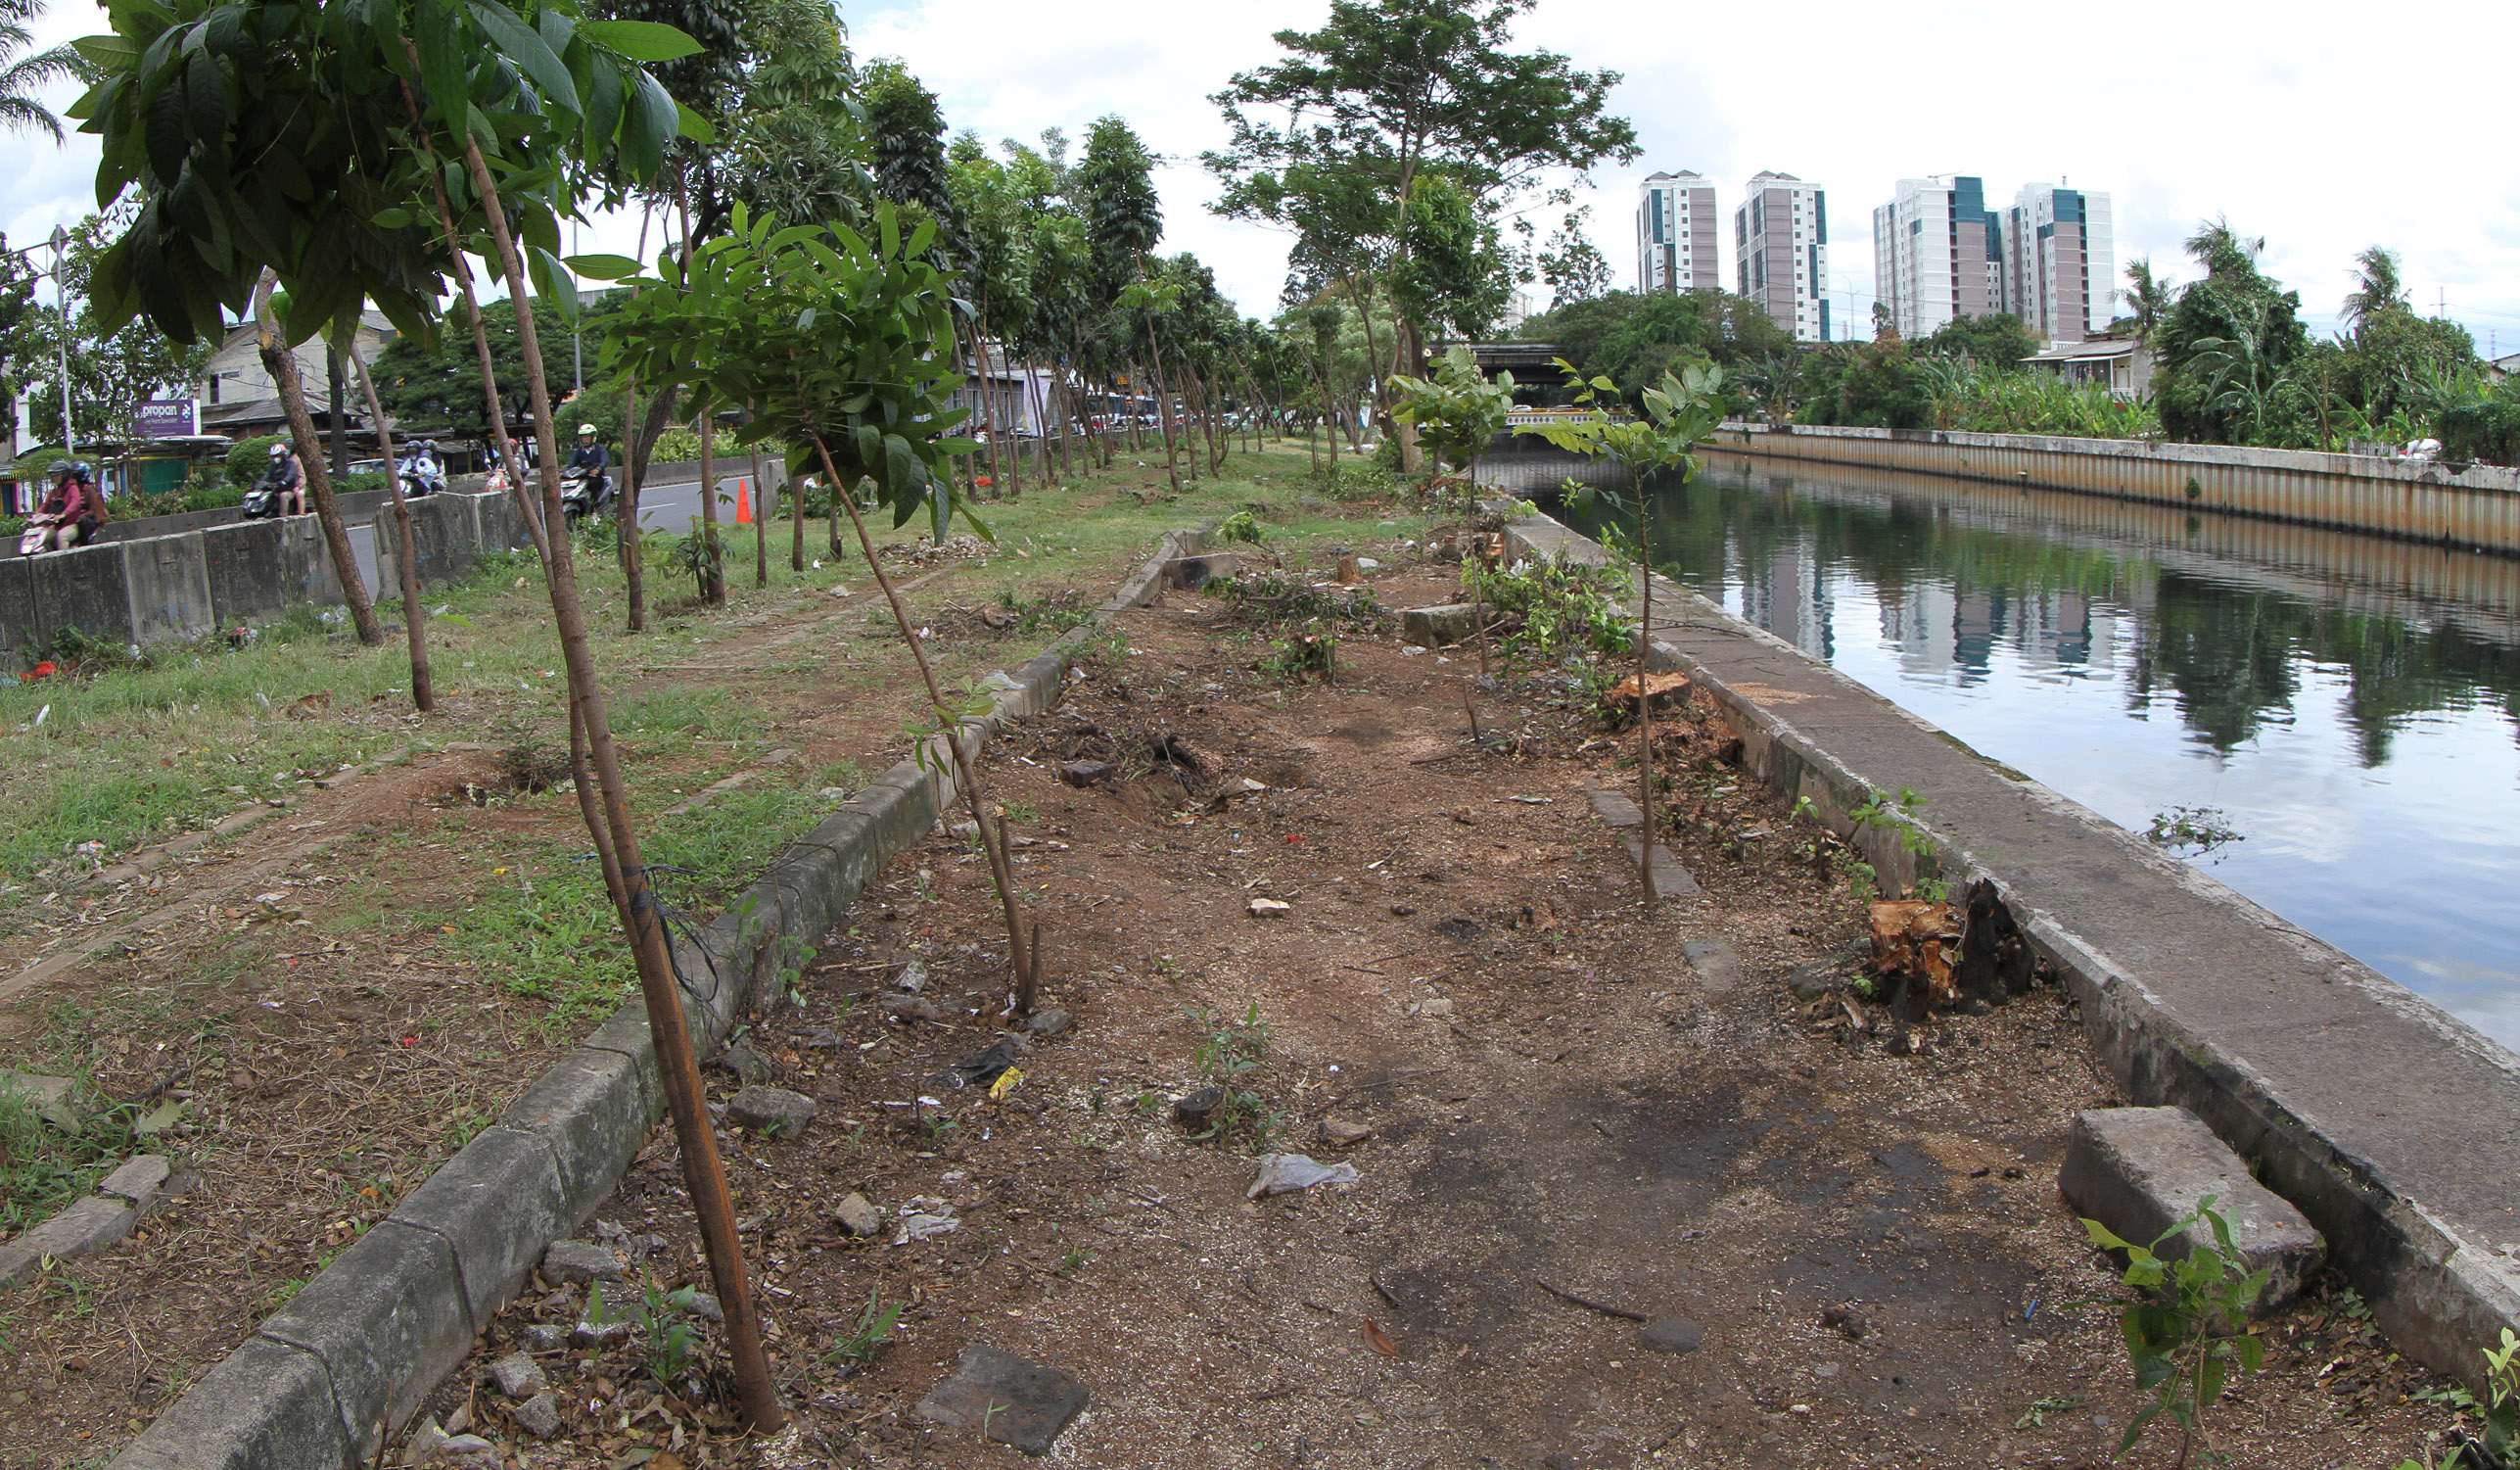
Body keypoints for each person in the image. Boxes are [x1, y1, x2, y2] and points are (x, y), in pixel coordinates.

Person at [34, 459, 98, 550]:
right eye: (53, 476)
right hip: (56, 525)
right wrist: (35, 516)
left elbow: (75, 503)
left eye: (57, 475)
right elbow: (45, 505)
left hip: (71, 524)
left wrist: (64, 514)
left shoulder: (73, 488)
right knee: (42, 536)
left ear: (64, 475)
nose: (54, 478)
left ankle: (64, 561)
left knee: (62, 536)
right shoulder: (54, 492)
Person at [566, 423, 610, 505]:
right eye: (583, 437)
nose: (585, 439)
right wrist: (563, 472)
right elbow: (571, 464)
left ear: (592, 437)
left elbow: (605, 461)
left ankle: (595, 510)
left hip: (596, 477)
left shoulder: (599, 448)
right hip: (582, 477)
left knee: (593, 484)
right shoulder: (578, 451)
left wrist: (598, 469)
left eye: (587, 437)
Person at [265, 441, 306, 516]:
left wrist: (297, 486)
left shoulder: (292, 462)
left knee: (296, 495)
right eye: (274, 456)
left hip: (291, 487)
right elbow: (267, 475)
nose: (276, 458)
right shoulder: (273, 466)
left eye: (277, 456)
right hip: (277, 488)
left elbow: (294, 474)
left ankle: (296, 515)